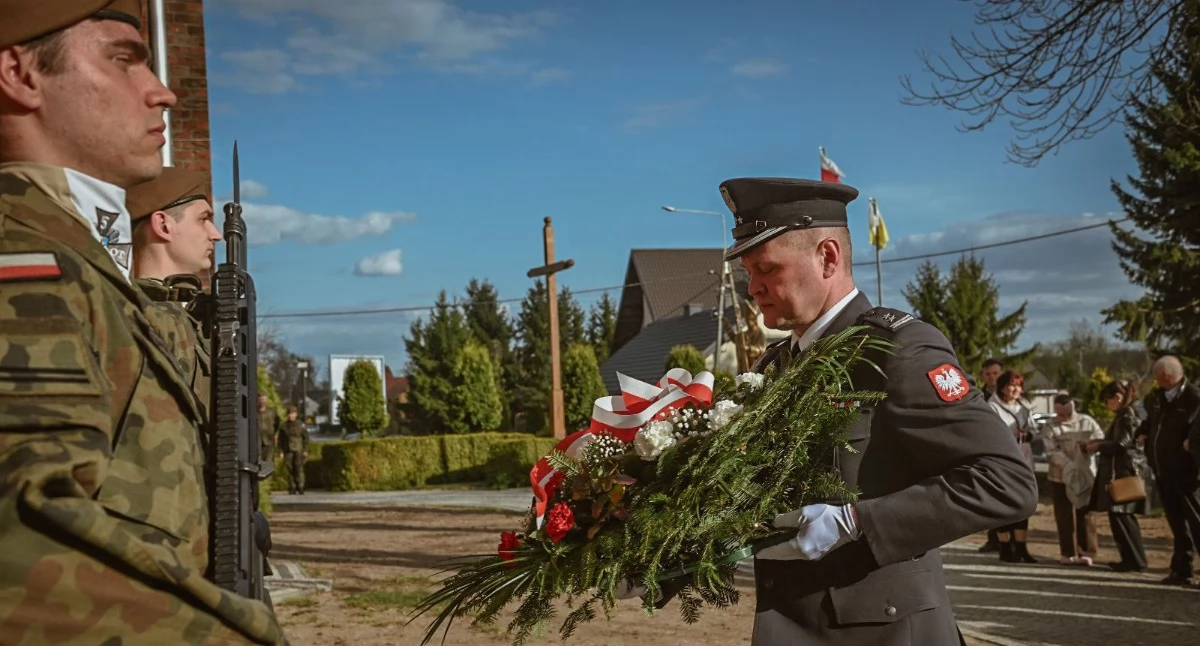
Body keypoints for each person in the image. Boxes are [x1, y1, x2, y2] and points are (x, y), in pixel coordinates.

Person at [0, 3, 284, 644]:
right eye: (123, 59)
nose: (162, 91)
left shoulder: (75, 260)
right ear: (19, 75)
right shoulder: (24, 258)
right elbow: (19, 533)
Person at [714, 178, 1038, 645]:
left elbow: (1006, 481)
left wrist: (858, 521)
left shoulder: (896, 350)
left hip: (883, 632)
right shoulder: (776, 366)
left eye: (766, 268)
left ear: (828, 257)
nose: (753, 288)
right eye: (749, 272)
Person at [126, 166, 220, 413]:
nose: (215, 234)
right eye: (203, 219)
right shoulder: (137, 316)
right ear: (163, 225)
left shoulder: (186, 314)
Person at [1135, 355, 1200, 586]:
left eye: (1156, 376)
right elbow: (1149, 421)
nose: (1155, 380)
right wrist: (1142, 433)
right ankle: (1182, 570)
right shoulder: (1157, 397)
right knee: (1177, 523)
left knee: (1196, 521)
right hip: (1163, 471)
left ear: (1165, 375)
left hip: (1188, 472)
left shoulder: (1194, 398)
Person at [1084, 380, 1149, 572]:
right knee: (1120, 517)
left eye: (1107, 400)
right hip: (1124, 471)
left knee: (1122, 516)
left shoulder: (1126, 415)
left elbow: (1121, 443)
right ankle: (1130, 558)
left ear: (1118, 398)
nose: (1106, 405)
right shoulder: (1131, 412)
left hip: (1121, 473)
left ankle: (1135, 560)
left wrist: (1098, 446)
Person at [1042, 393, 1104, 565]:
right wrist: (1070, 466)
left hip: (1085, 476)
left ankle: (1087, 552)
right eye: (1059, 414)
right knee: (1064, 514)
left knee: (1086, 514)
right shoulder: (1050, 425)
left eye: (1066, 413)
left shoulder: (1087, 422)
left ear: (1073, 408)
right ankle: (1067, 551)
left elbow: (1100, 440)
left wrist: (1086, 448)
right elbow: (1051, 451)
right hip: (1060, 476)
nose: (1062, 417)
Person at [987, 370, 1040, 563]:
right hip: (1004, 457)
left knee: (1023, 500)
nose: (1016, 389)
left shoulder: (1024, 406)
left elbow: (1035, 431)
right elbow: (989, 432)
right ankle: (1004, 547)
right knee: (1005, 501)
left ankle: (1021, 547)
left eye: (1018, 385)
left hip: (1024, 456)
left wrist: (1028, 434)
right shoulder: (992, 406)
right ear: (1002, 387)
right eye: (1012, 385)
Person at [277, 406, 309, 495]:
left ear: (296, 414)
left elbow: (306, 438)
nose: (291, 416)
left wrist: (305, 450)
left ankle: (301, 486)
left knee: (299, 468)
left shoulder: (300, 425)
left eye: (293, 413)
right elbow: (280, 440)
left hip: (299, 449)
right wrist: (281, 451)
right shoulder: (284, 426)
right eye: (289, 414)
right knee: (290, 469)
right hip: (288, 449)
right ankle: (292, 487)